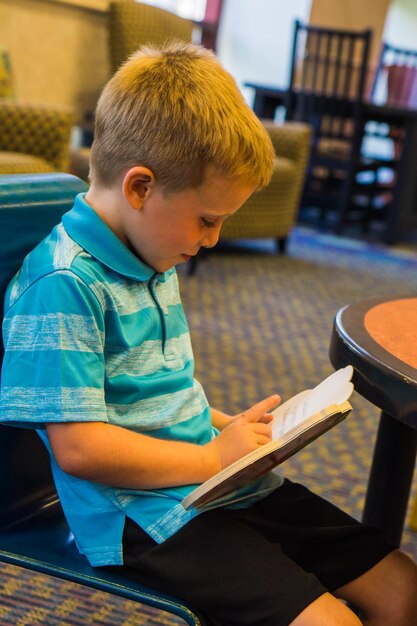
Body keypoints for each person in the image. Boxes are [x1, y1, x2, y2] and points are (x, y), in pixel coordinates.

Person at [1, 42, 417, 626]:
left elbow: (150, 395)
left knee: (403, 589)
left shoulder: (150, 250)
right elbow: (80, 449)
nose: (214, 239)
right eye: (209, 219)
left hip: (208, 480)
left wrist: (228, 427)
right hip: (143, 517)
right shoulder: (64, 285)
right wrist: (210, 455)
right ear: (140, 188)